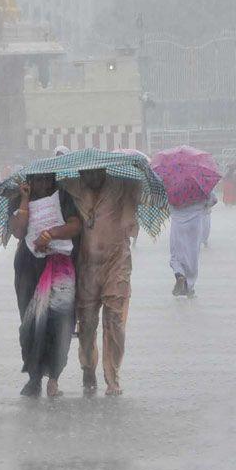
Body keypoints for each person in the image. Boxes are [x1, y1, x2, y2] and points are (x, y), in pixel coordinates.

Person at [62, 168, 140, 396]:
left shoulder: (121, 184)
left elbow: (131, 217)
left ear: (104, 171)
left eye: (97, 173)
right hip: (87, 265)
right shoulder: (75, 186)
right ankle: (88, 367)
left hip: (117, 262)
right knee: (86, 324)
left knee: (114, 320)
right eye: (87, 174)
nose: (92, 178)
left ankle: (112, 376)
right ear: (81, 173)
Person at [9, 174, 82, 398]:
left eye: (46, 180)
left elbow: (75, 225)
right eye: (37, 181)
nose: (42, 185)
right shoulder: (18, 197)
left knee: (60, 323)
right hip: (29, 271)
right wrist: (24, 200)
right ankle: (34, 378)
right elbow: (18, 231)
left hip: (59, 269)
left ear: (53, 180)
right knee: (30, 323)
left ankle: (53, 378)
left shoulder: (63, 197)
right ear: (29, 181)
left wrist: (50, 235)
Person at [170, 192, 217, 297]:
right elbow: (214, 200)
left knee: (176, 254)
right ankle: (189, 287)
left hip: (178, 224)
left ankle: (179, 274)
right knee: (192, 255)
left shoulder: (173, 187)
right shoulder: (199, 185)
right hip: (195, 223)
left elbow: (166, 205)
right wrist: (202, 206)